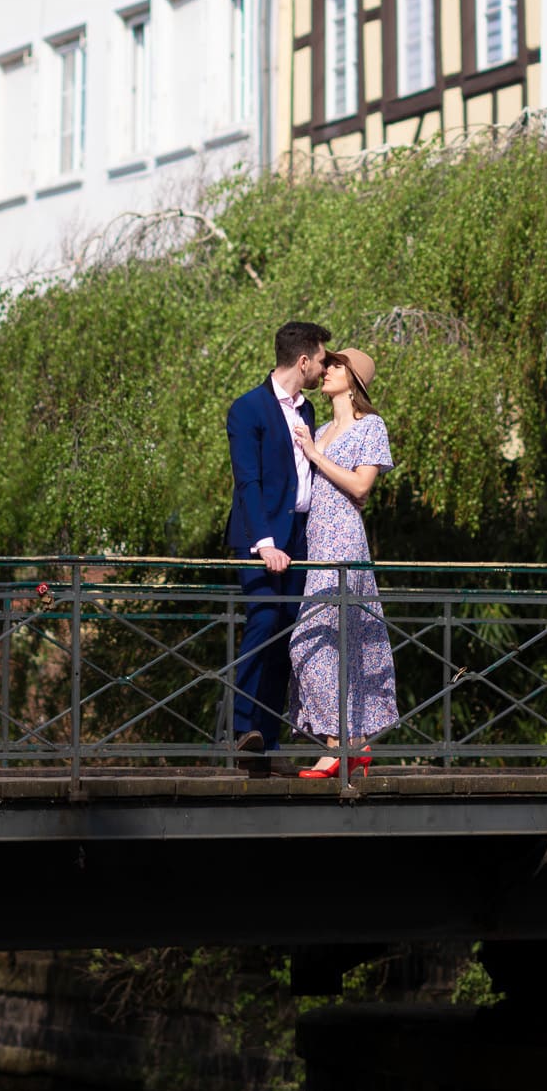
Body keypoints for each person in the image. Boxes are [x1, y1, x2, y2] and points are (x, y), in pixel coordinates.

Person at [225, 320, 332, 776]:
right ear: (303, 360)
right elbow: (247, 481)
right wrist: (264, 544)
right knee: (264, 620)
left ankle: (264, 746)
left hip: (301, 543)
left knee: (287, 637)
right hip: (260, 540)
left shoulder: (307, 414)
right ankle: (242, 728)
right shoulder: (247, 409)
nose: (324, 368)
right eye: (322, 360)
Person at [288, 346, 399, 779]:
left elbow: (360, 487)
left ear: (353, 378)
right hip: (316, 541)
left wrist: (314, 456)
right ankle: (352, 746)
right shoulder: (320, 428)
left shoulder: (371, 425)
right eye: (328, 363)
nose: (327, 369)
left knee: (311, 641)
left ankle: (339, 747)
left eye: (336, 365)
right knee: (330, 643)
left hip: (343, 541)